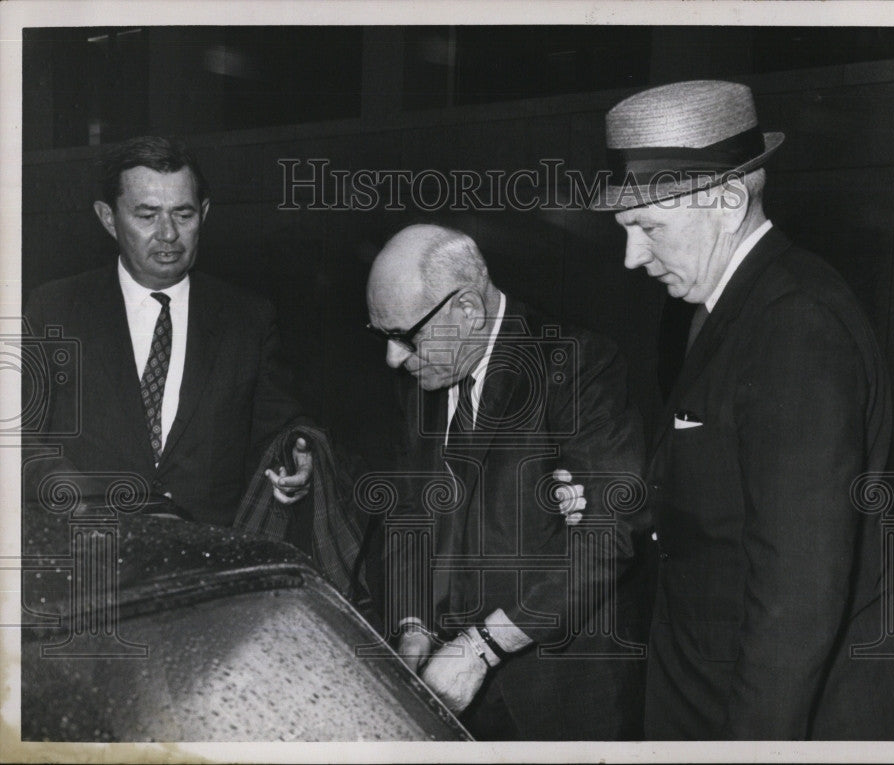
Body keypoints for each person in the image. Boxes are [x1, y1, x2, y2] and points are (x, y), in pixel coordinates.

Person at [595, 80, 894, 740]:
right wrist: (628, 499)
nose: (632, 257)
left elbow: (797, 601)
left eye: (648, 227)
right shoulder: (728, 306)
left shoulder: (794, 325)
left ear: (725, 201)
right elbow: (734, 488)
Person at [365, 224, 650, 740]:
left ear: (468, 309)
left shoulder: (578, 364)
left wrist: (480, 647)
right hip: (446, 693)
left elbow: (605, 540)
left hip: (559, 701)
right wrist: (413, 626)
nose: (393, 358)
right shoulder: (425, 376)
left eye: (405, 336)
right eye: (382, 336)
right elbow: (408, 514)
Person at [23, 136, 313, 525]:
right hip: (90, 548)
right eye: (147, 215)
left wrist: (298, 463)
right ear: (108, 218)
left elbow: (281, 430)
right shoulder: (53, 308)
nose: (168, 234)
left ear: (204, 214)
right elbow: (19, 441)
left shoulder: (249, 318)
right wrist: (81, 495)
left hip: (209, 555)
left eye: (183, 214)